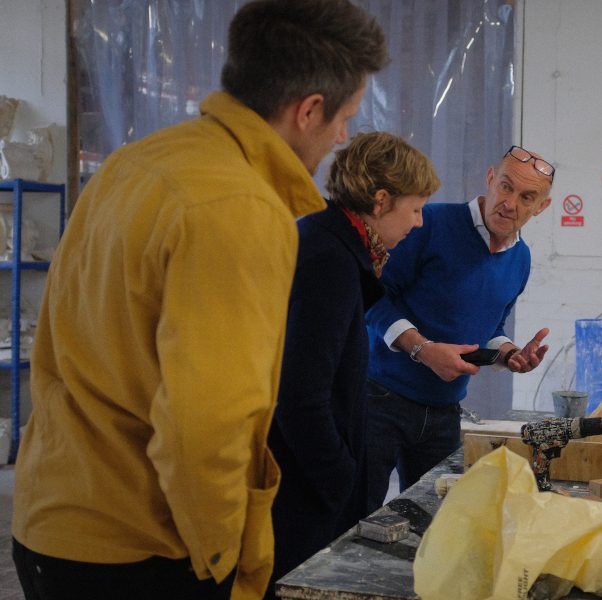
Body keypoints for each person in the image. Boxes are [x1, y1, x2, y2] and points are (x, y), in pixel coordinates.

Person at [12, 1, 386, 599]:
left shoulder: (136, 163)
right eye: (345, 118)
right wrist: (223, 564)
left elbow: (63, 340)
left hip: (51, 520)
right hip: (143, 548)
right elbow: (206, 425)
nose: (344, 136)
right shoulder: (239, 207)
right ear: (308, 110)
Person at [267, 132, 439, 595]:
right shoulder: (330, 259)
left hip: (304, 480)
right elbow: (300, 396)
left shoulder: (333, 243)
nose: (420, 223)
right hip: (301, 489)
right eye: (416, 207)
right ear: (382, 201)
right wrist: (342, 480)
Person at [364, 145, 554, 512]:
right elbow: (373, 297)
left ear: (540, 207)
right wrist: (422, 349)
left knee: (437, 523)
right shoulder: (429, 224)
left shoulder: (521, 259)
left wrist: (511, 354)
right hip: (380, 399)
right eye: (505, 186)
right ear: (489, 179)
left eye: (526, 196)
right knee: (358, 519)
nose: (509, 202)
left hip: (444, 411)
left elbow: (490, 326)